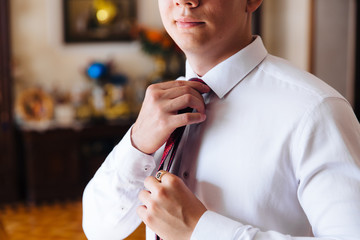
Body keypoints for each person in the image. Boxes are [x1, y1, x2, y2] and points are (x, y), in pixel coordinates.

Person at [82, 0, 360, 239]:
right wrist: (137, 143)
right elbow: (98, 229)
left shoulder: (316, 111)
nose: (185, 0)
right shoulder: (160, 108)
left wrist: (200, 231)